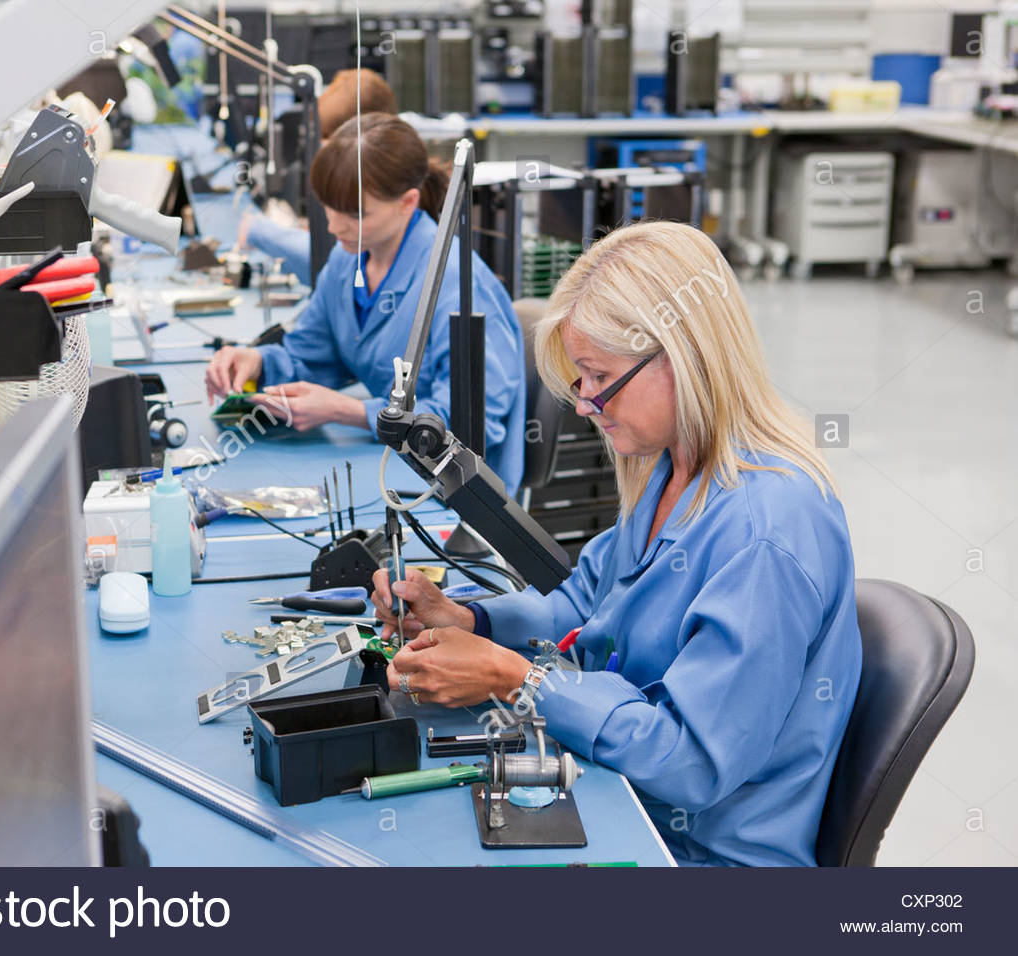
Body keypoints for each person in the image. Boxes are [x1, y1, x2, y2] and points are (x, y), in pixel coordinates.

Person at [370, 221, 863, 867]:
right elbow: (582, 604)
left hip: (697, 854)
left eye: (598, 377)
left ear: (682, 355)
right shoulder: (674, 469)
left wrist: (517, 677)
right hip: (622, 794)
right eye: (578, 380)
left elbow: (689, 762)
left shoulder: (769, 531)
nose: (584, 404)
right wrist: (470, 618)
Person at [206, 113, 526, 492]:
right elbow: (312, 359)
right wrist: (258, 362)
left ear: (407, 203)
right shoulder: (348, 261)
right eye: (328, 206)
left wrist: (352, 412)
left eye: (356, 214)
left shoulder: (456, 284)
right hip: (389, 470)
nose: (334, 226)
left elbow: (472, 424)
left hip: (456, 497)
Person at [239, 69, 399, 284]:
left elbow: (336, 267)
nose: (321, 149)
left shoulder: (381, 183)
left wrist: (259, 231)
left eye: (327, 139)